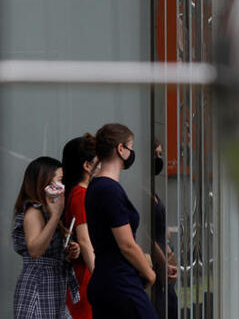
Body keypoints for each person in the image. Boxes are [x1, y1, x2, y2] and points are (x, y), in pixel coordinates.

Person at [85, 123, 156, 319]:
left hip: (105, 280)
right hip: (120, 282)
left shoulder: (96, 186)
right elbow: (126, 244)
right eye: (130, 147)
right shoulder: (109, 189)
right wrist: (149, 274)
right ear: (121, 149)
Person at [12, 156, 81, 319]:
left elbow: (49, 248)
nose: (63, 185)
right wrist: (56, 215)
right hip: (39, 287)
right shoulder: (33, 211)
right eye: (60, 180)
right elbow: (35, 251)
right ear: (46, 183)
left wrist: (70, 251)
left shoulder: (46, 211)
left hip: (53, 287)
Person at [61, 134, 98, 319]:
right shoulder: (80, 194)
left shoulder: (82, 193)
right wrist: (100, 276)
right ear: (87, 165)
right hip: (85, 275)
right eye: (98, 161)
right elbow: (84, 240)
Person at [151, 138, 178, 319]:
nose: (159, 160)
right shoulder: (141, 190)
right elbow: (148, 235)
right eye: (156, 155)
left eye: (161, 155)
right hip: (155, 264)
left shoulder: (152, 191)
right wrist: (163, 262)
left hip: (163, 258)